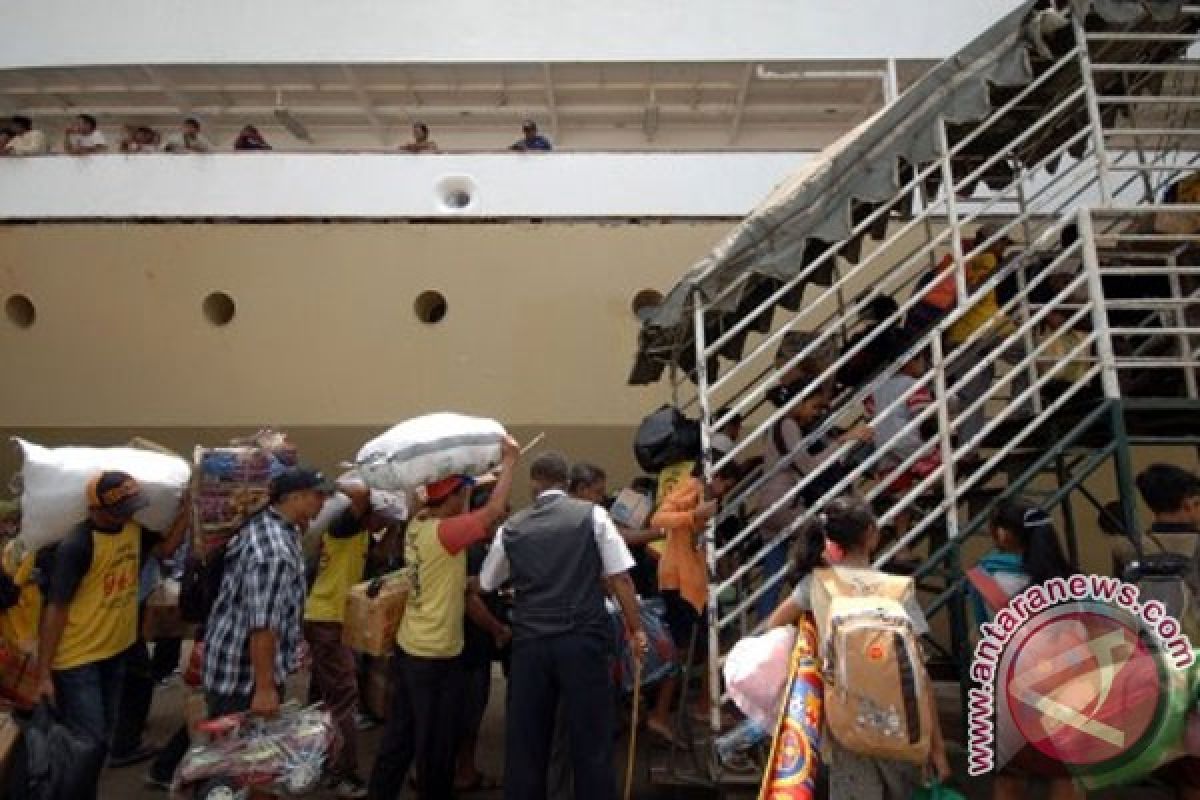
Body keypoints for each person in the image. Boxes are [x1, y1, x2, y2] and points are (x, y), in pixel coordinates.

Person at [480, 451, 647, 800]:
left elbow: (488, 581)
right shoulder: (593, 516)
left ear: (533, 484)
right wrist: (636, 630)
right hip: (581, 637)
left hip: (530, 642)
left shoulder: (512, 527)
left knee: (527, 738)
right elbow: (620, 579)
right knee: (590, 736)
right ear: (566, 481)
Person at [766, 496, 951, 798]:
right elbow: (921, 677)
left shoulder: (816, 585)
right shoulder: (898, 589)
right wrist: (938, 747)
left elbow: (773, 627)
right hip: (902, 725)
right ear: (872, 535)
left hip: (845, 724)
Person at [368, 436, 520, 800]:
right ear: (451, 500)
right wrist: (511, 462)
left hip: (411, 646)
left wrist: (468, 479)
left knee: (399, 737)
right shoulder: (446, 534)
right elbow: (493, 512)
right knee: (436, 745)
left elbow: (458, 506)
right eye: (460, 496)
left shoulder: (419, 524)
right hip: (436, 654)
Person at [34, 471, 189, 800]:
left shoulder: (132, 531)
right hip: (78, 659)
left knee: (101, 736)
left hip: (115, 650)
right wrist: (44, 673)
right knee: (87, 740)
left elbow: (165, 550)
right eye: (122, 507)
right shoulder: (78, 545)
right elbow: (56, 609)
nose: (130, 513)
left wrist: (189, 510)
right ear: (96, 508)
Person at [967, 501, 1081, 800]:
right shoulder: (1072, 579)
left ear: (1003, 535)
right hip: (1068, 691)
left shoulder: (984, 579)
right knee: (1065, 775)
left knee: (1010, 777)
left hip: (1011, 691)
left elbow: (981, 635)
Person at [203, 466, 333, 719]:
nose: (323, 502)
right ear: (294, 498)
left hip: (236, 664)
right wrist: (265, 689)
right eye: (317, 495)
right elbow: (263, 625)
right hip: (242, 678)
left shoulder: (276, 525)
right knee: (240, 754)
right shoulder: (273, 553)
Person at [304, 484, 404, 799]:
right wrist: (334, 484)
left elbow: (380, 556)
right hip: (327, 620)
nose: (382, 524)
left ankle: (314, 758)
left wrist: (396, 525)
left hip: (335, 620)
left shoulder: (362, 535)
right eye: (381, 518)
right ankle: (342, 774)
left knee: (327, 694)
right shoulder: (344, 527)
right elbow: (360, 495)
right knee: (344, 697)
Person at [755, 362, 871, 621]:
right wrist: (844, 441)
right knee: (824, 544)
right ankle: (820, 609)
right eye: (813, 406)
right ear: (800, 401)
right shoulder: (787, 425)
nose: (813, 413)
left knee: (772, 575)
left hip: (773, 505)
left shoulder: (781, 426)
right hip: (784, 504)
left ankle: (769, 625)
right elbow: (806, 465)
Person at [643, 460, 741, 744]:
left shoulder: (704, 494)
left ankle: (697, 706)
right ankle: (662, 714)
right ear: (717, 476)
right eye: (726, 483)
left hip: (691, 583)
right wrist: (693, 515)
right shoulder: (693, 489)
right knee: (682, 650)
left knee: (702, 646)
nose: (725, 490)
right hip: (681, 582)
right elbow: (658, 519)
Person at [456, 477, 510, 794]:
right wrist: (498, 629)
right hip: (470, 643)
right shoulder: (473, 549)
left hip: (458, 642)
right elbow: (470, 599)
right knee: (469, 712)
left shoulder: (469, 544)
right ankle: (464, 771)